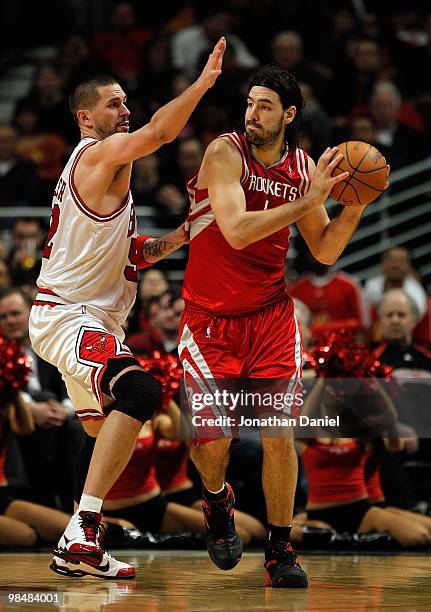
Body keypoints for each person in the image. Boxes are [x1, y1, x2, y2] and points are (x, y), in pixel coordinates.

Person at [178, 63, 389, 588]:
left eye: (264, 105)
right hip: (209, 318)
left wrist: (355, 204)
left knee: (279, 435)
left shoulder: (302, 166)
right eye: (249, 103)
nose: (252, 113)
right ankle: (216, 500)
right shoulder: (223, 152)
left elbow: (324, 249)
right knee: (213, 441)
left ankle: (279, 547)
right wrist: (309, 200)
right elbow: (235, 230)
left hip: (271, 317)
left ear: (289, 114)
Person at [28, 38, 226, 580]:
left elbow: (129, 254)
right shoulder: (95, 154)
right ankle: (85, 530)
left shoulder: (109, 174)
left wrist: (180, 236)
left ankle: (76, 543)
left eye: (126, 102)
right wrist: (204, 83)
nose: (126, 111)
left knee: (101, 440)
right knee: (140, 390)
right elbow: (161, 133)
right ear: (85, 118)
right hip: (69, 314)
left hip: (87, 315)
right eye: (114, 104)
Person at [0, 288, 85, 512]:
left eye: (15, 313)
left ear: (31, 312)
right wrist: (31, 409)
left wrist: (64, 411)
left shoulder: (49, 345)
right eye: (3, 317)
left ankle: (77, 505)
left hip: (57, 419)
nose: (10, 321)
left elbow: (71, 385)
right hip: (18, 420)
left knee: (75, 429)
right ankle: (41, 502)